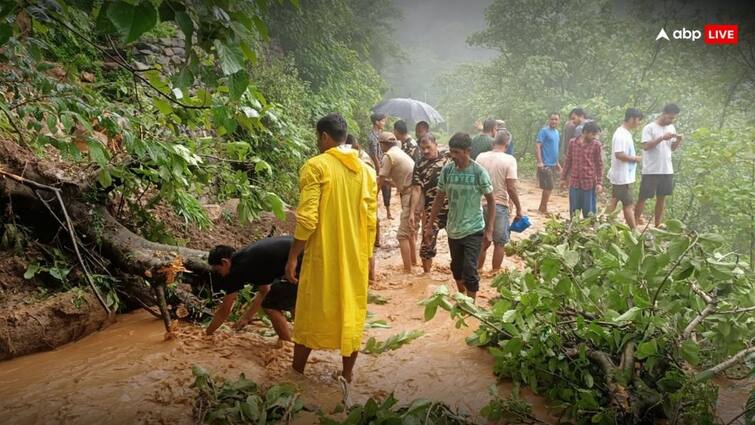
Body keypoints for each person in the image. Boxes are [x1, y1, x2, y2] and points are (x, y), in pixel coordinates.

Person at [284, 113, 377, 384]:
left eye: (317, 137)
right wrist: (369, 259)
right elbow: (371, 220)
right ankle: (347, 376)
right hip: (355, 256)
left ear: (324, 136)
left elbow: (308, 218)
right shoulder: (366, 171)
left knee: (311, 310)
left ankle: (296, 375)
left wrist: (293, 256)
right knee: (352, 311)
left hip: (323, 254)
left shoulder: (316, 166)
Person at [426, 132, 496, 302]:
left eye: (457, 152)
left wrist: (489, 230)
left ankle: (471, 306)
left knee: (469, 270)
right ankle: (462, 298)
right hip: (453, 229)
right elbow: (439, 198)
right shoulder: (447, 171)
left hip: (474, 228)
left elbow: (491, 202)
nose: (453, 156)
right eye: (451, 152)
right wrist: (429, 225)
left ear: (467, 151)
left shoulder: (479, 172)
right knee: (456, 268)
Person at [205, 236, 301, 342]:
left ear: (225, 262)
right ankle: (298, 341)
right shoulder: (247, 259)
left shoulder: (237, 270)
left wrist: (207, 334)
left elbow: (224, 310)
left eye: (218, 270)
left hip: (302, 262)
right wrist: (246, 318)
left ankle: (287, 346)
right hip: (307, 255)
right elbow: (264, 291)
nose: (220, 274)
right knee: (290, 303)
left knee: (271, 306)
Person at [476, 130, 522, 271]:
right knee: (499, 243)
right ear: (507, 144)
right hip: (499, 206)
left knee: (481, 241)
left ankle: (477, 271)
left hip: (479, 205)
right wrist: (519, 208)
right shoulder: (509, 160)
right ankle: (494, 273)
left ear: (493, 142)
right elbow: (511, 188)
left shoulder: (480, 157)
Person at [634, 104, 682, 228]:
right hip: (651, 169)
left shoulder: (671, 127)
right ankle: (633, 223)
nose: (671, 120)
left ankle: (657, 224)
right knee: (643, 196)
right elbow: (645, 146)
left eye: (673, 118)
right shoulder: (649, 128)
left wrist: (678, 141)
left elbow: (671, 148)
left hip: (666, 169)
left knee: (662, 198)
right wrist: (661, 138)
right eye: (670, 117)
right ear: (664, 113)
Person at [410, 132, 451, 273]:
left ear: (436, 144)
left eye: (429, 147)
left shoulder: (449, 157)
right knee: (426, 244)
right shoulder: (419, 164)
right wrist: (412, 212)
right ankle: (426, 277)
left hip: (453, 209)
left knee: (458, 243)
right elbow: (416, 189)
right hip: (431, 210)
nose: (426, 151)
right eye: (423, 149)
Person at [378, 131, 416, 273]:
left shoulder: (389, 156)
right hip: (414, 193)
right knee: (410, 231)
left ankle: (407, 271)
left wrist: (371, 198)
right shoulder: (399, 152)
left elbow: (379, 181)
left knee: (401, 235)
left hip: (410, 195)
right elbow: (400, 179)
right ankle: (414, 262)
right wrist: (390, 182)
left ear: (382, 144)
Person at [346, 134, 377, 284]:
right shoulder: (358, 161)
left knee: (367, 249)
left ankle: (370, 280)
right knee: (367, 248)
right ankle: (370, 281)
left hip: (363, 212)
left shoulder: (362, 164)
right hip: (364, 212)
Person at [607, 109, 643, 229]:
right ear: (632, 119)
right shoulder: (621, 135)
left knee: (615, 199)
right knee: (627, 203)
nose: (639, 123)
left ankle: (604, 222)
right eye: (638, 120)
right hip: (621, 176)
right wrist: (635, 159)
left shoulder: (625, 133)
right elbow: (619, 154)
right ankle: (634, 229)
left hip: (623, 176)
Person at [561, 121, 604, 218]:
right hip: (575, 183)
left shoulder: (596, 145)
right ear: (585, 132)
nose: (594, 137)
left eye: (596, 135)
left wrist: (599, 183)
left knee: (589, 213)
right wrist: (563, 178)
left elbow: (599, 164)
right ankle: (573, 230)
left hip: (589, 183)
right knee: (574, 211)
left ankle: (589, 231)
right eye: (593, 134)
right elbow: (568, 161)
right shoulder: (573, 143)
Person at [367, 112, 392, 220]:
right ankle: (374, 211)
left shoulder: (381, 134)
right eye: (382, 121)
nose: (384, 123)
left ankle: (388, 211)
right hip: (376, 165)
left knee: (387, 188)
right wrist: (379, 168)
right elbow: (374, 154)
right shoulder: (372, 136)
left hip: (383, 163)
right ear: (377, 122)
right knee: (376, 188)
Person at [535, 112, 561, 214]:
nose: (554, 121)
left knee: (549, 187)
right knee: (548, 187)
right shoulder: (544, 131)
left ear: (559, 121)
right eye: (552, 119)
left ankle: (542, 207)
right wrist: (540, 162)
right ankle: (543, 208)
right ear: (549, 120)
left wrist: (557, 163)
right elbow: (537, 146)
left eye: (556, 119)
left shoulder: (557, 132)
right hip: (545, 163)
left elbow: (555, 149)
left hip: (553, 163)